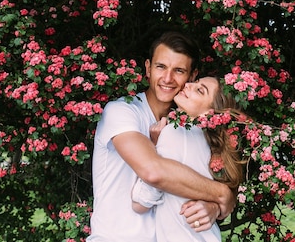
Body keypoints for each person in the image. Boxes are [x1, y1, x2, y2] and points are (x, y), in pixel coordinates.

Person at [87, 32, 236, 242]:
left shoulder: (189, 130)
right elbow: (153, 171)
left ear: (192, 76)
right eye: (160, 67)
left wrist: (214, 206)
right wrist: (222, 195)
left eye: (179, 70)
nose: (167, 78)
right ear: (148, 68)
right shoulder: (121, 112)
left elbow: (196, 182)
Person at [130, 77, 246, 241]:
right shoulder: (210, 148)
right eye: (195, 82)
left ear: (210, 113)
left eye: (200, 90)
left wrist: (153, 150)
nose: (188, 85)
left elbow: (140, 204)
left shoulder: (176, 132)